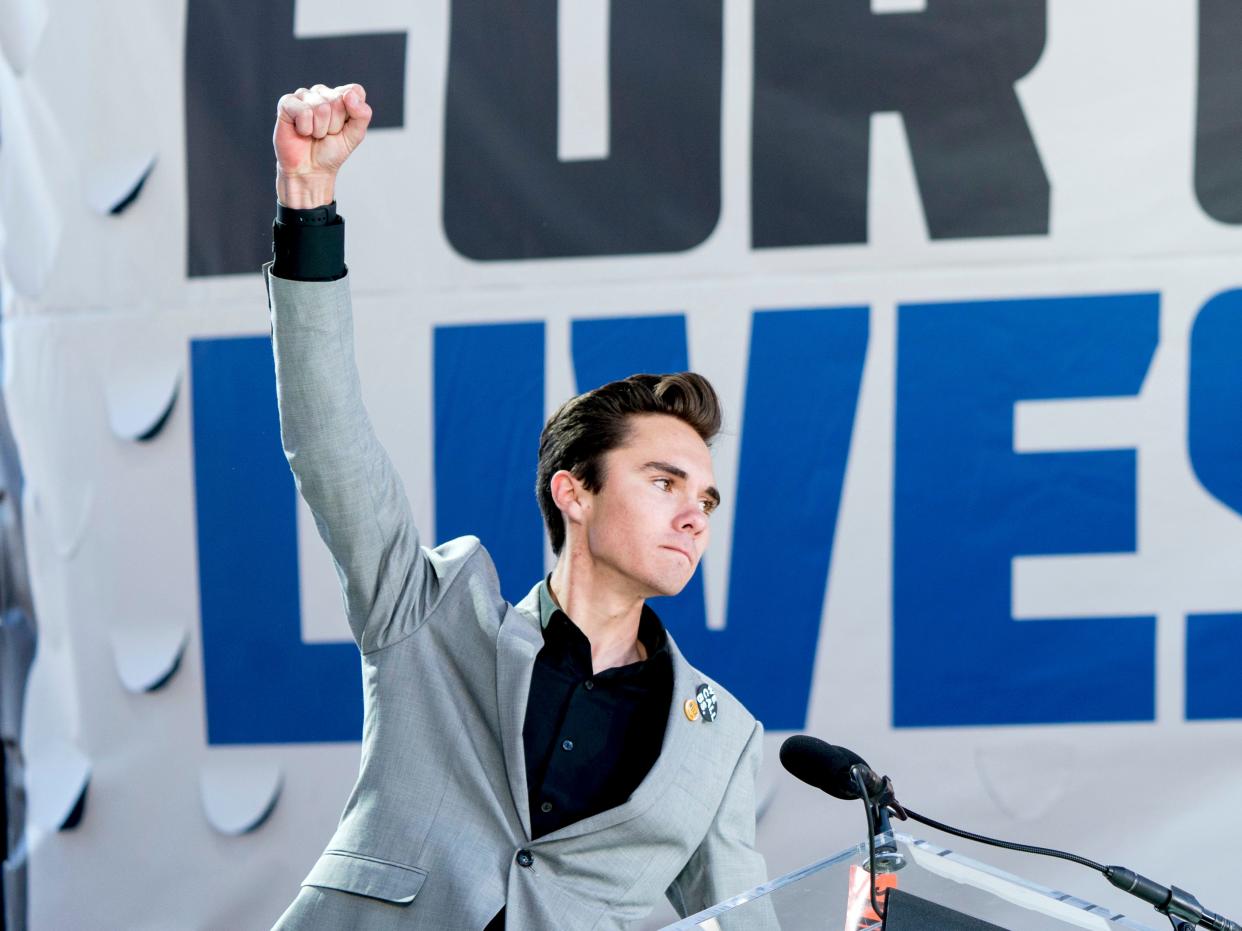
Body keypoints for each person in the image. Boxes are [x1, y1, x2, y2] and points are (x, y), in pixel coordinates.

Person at [267, 82, 768, 930]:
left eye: (707, 496)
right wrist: (308, 205)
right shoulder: (428, 616)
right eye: (664, 481)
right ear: (573, 490)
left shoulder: (721, 737)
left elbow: (746, 918)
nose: (696, 514)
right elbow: (330, 442)